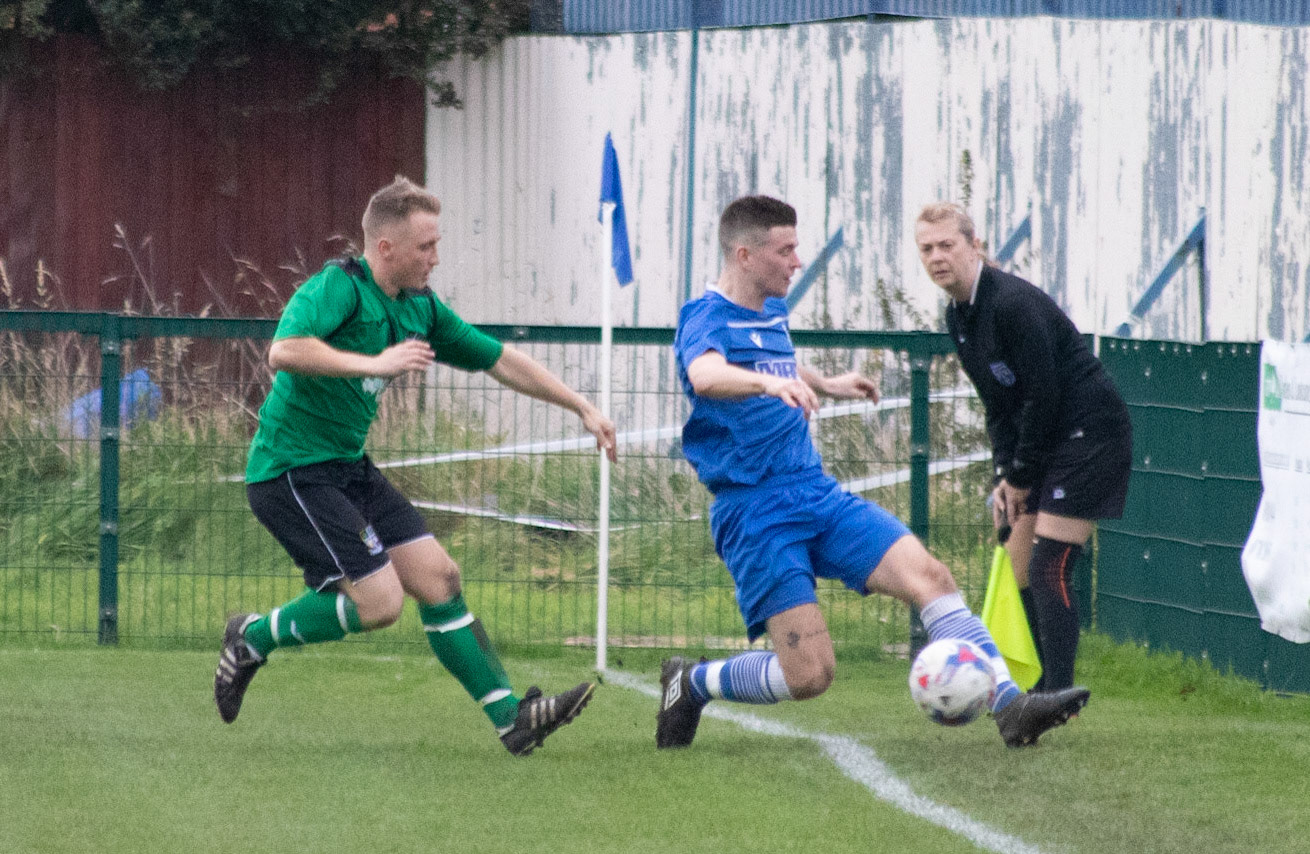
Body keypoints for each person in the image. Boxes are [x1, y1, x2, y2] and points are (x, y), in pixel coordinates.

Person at [659, 194, 1089, 750]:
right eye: (785, 251)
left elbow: (770, 358)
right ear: (745, 255)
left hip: (814, 493)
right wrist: (770, 384)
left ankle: (1010, 706)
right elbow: (706, 372)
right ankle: (693, 682)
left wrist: (823, 382)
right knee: (810, 675)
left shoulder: (769, 311)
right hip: (755, 511)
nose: (797, 261)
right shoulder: (704, 316)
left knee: (931, 577)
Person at [215, 175, 617, 756]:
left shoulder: (419, 308)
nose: (436, 257)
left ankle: (514, 721)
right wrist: (374, 363)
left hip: (347, 468)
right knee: (380, 605)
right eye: (426, 246)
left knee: (439, 578)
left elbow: (499, 360)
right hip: (291, 472)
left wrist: (581, 406)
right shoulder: (339, 287)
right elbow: (285, 349)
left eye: (436, 244)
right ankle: (251, 637)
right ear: (386, 248)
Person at [914, 201, 1132, 693]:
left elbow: (1043, 394)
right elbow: (998, 405)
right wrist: (1004, 477)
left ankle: (1057, 695)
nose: (937, 257)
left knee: (1049, 564)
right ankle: (1032, 690)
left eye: (947, 245)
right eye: (926, 249)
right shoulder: (958, 316)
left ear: (975, 246)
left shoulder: (1011, 303)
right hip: (1046, 437)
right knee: (1016, 567)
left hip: (1089, 433)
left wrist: (1021, 475)